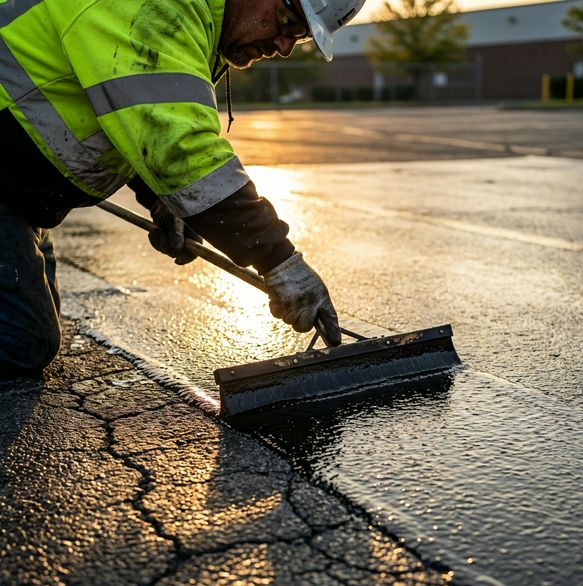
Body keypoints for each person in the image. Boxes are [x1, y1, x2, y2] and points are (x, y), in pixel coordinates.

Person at [0, 0, 366, 375]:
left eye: (300, 37)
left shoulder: (196, 23)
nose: (285, 47)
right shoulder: (153, 7)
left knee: (29, 323)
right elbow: (178, 145)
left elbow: (130, 118)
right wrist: (277, 260)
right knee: (21, 342)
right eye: (288, 22)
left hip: (18, 199)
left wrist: (162, 199)